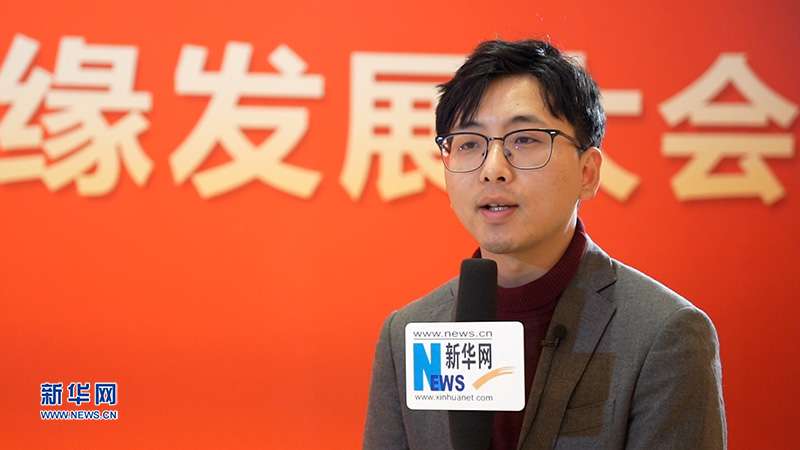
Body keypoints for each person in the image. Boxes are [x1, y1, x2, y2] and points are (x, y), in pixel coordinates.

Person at [363, 39, 726, 449]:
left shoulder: (663, 332)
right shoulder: (407, 334)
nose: (493, 169)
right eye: (468, 143)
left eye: (525, 139)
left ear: (587, 172)